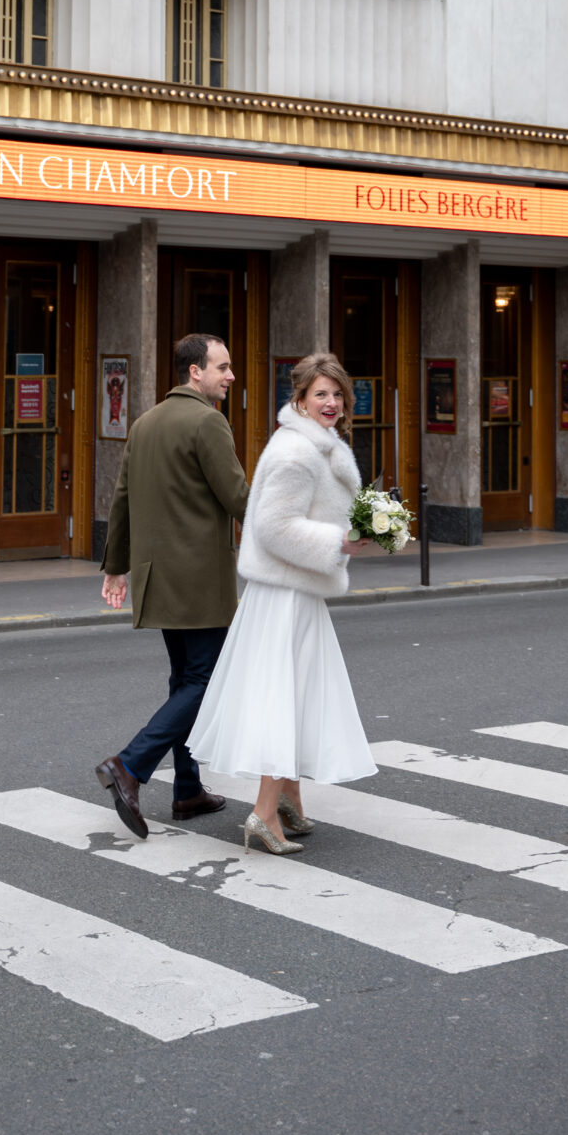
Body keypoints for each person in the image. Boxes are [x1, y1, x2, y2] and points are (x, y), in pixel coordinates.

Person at [189, 352, 375, 855]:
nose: (331, 402)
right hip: (285, 595)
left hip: (296, 590)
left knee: (300, 691)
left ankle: (289, 798)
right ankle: (264, 813)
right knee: (284, 697)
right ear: (299, 398)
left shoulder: (319, 445)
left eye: (337, 394)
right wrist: (338, 540)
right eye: (321, 394)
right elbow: (272, 527)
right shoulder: (297, 453)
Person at [96, 333, 250, 839]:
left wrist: (116, 567)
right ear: (194, 372)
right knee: (204, 681)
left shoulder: (144, 423)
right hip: (200, 582)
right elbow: (238, 498)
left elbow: (122, 500)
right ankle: (131, 764)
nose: (230, 376)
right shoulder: (208, 421)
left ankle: (187, 789)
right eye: (222, 367)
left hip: (158, 579)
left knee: (185, 679)